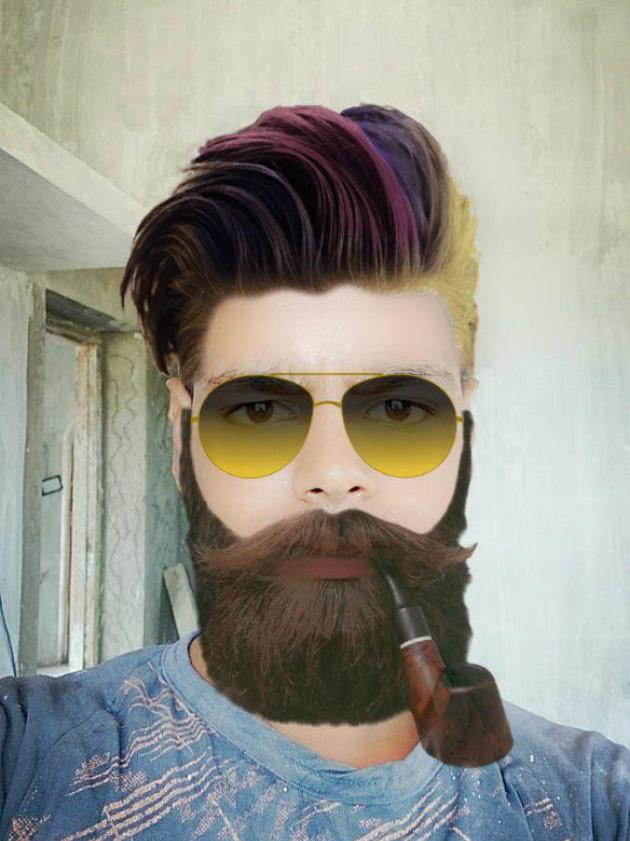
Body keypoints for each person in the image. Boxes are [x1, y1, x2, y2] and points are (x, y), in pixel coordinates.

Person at [1, 104, 628, 840]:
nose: (332, 473)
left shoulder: (593, 807)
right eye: (260, 409)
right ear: (180, 435)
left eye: (398, 407)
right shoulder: (26, 760)